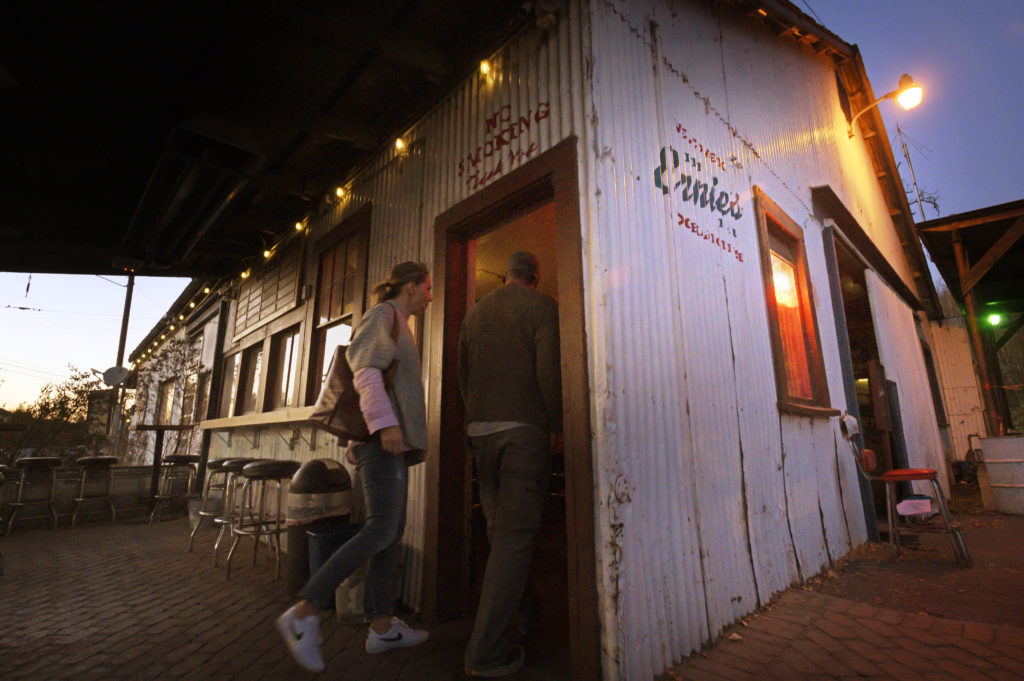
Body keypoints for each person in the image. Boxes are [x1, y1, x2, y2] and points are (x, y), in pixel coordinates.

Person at [277, 261, 433, 673]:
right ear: (412, 287)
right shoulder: (383, 316)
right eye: (428, 288)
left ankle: (382, 627)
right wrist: (385, 427)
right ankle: (306, 611)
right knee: (381, 529)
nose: (431, 296)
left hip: (386, 444)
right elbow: (364, 372)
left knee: (389, 533)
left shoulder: (399, 320)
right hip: (383, 444)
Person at [458, 251, 562, 677]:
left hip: (480, 432)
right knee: (515, 538)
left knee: (500, 531)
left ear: (506, 275)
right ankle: (486, 654)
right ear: (535, 277)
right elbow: (550, 372)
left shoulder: (474, 314)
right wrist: (557, 425)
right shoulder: (542, 307)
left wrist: (476, 416)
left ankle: (523, 615)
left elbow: (463, 374)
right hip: (523, 432)